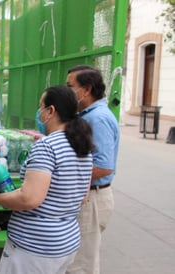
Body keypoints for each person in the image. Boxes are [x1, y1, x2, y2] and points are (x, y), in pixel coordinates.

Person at [0, 85, 94, 274]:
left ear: (50, 111)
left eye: (41, 107)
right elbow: (83, 197)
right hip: (66, 243)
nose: (39, 112)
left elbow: (29, 199)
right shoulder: (82, 146)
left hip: (35, 247)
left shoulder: (47, 146)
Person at [65, 65, 120, 274]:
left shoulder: (97, 118)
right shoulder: (87, 115)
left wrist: (66, 175)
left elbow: (104, 166)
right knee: (75, 261)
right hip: (88, 197)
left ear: (86, 89)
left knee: (81, 265)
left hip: (93, 199)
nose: (68, 90)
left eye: (71, 86)